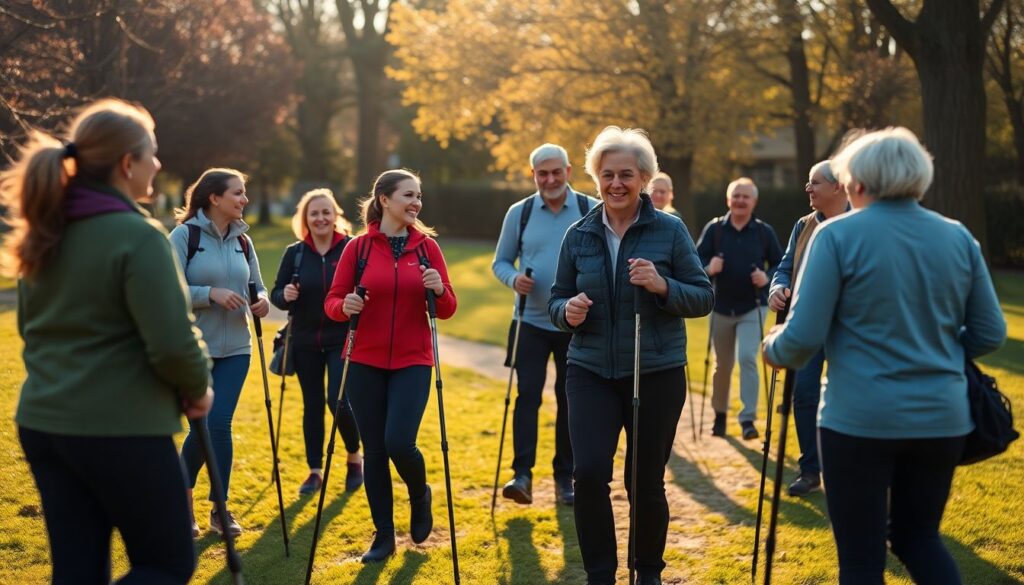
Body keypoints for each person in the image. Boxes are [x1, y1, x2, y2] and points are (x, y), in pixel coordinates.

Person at [763, 127, 1006, 584]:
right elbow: (991, 332)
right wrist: (940, 353)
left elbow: (801, 339)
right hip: (941, 417)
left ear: (857, 182)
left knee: (860, 559)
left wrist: (770, 347)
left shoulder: (836, 236)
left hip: (858, 419)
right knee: (919, 538)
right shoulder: (958, 237)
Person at [4, 99, 211, 583]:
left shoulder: (48, 232)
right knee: (167, 563)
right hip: (120, 428)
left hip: (45, 423)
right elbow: (173, 344)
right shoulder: (138, 237)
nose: (158, 165)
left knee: (77, 571)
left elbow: (30, 331)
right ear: (127, 164)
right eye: (152, 154)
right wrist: (199, 388)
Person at [549, 126, 714, 585]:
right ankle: (601, 574)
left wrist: (663, 286)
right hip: (590, 370)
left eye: (626, 174)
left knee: (644, 480)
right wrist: (569, 311)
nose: (616, 183)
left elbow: (703, 297)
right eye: (607, 174)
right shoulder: (579, 234)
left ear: (644, 177)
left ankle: (648, 572)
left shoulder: (670, 230)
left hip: (655, 372)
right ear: (595, 178)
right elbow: (557, 299)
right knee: (589, 473)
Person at [324, 169, 457, 563]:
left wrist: (437, 288)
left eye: (419, 196)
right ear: (384, 200)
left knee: (400, 441)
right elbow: (333, 301)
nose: (416, 203)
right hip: (364, 359)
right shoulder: (358, 249)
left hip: (413, 361)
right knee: (376, 450)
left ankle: (419, 493)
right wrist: (343, 306)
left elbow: (448, 307)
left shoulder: (428, 249)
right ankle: (383, 535)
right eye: (408, 196)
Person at [492, 143, 596, 506]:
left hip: (576, 324)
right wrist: (513, 278)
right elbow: (501, 262)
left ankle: (565, 477)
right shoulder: (518, 213)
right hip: (529, 323)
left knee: (571, 401)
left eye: (556, 172)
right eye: (542, 173)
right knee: (527, 397)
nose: (549, 179)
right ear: (533, 175)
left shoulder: (589, 209)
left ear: (568, 171)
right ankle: (522, 474)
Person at [170, 168, 270, 538]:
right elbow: (167, 288)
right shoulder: (185, 236)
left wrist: (260, 302)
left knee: (217, 423)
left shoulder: (244, 241)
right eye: (238, 193)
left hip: (237, 349)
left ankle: (220, 509)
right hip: (195, 349)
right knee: (204, 426)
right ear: (214, 197)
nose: (245, 199)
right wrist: (208, 294)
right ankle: (183, 503)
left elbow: (258, 287)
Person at [271, 189, 363, 496]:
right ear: (305, 219)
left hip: (343, 339)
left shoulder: (352, 248)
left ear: (336, 215)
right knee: (312, 406)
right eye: (314, 213)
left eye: (326, 212)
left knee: (338, 402)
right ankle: (315, 471)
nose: (321, 218)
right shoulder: (294, 253)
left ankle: (353, 456)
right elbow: (276, 296)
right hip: (305, 341)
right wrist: (285, 296)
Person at [768, 160, 850, 497]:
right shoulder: (803, 224)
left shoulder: (857, 223)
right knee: (803, 394)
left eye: (815, 182)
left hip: (848, 330)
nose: (808, 188)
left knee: (846, 397)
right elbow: (785, 266)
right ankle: (810, 470)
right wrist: (777, 287)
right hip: (807, 324)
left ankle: (846, 468)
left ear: (838, 186)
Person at [695, 177, 783, 440]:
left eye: (746, 197)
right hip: (720, 306)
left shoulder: (763, 232)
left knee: (747, 358)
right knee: (722, 364)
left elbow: (780, 264)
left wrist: (767, 276)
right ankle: (720, 415)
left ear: (754, 201)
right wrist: (709, 269)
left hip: (752, 307)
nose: (740, 201)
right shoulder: (715, 229)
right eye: (736, 196)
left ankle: (747, 420)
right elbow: (694, 262)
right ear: (728, 199)